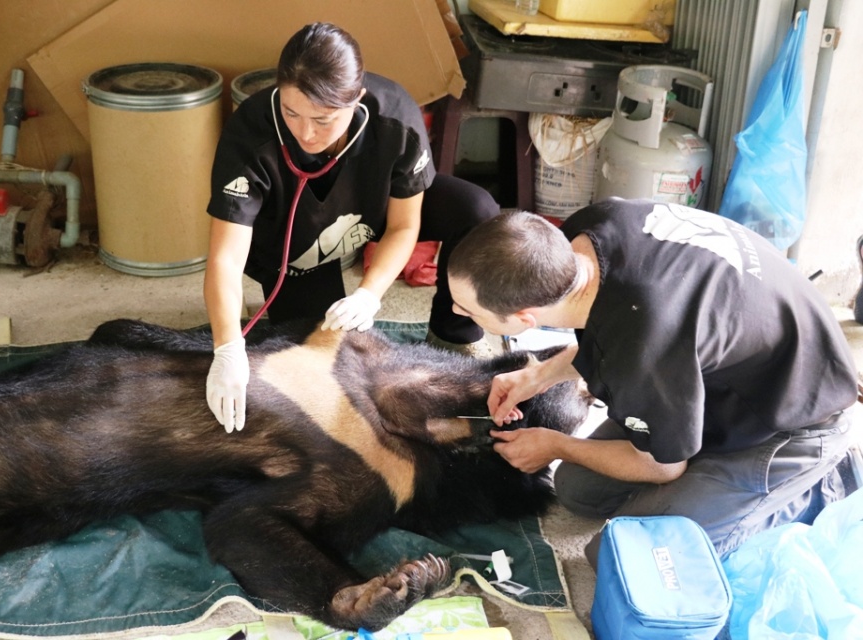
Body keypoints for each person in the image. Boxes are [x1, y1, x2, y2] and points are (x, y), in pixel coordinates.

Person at [446, 200, 861, 566]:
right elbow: (616, 330)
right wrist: (537, 375)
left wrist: (556, 445)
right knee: (579, 491)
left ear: (524, 321)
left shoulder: (645, 341)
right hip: (718, 379)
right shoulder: (587, 233)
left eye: (466, 309)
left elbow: (661, 466)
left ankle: (819, 484)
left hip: (794, 420)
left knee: (626, 556)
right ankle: (691, 447)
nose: (454, 309)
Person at [203, 22, 500, 432]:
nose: (306, 132)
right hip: (291, 245)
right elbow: (225, 257)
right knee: (323, 355)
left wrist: (370, 293)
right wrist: (227, 348)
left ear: (356, 100)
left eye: (324, 120)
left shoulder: (395, 118)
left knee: (476, 208)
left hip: (370, 213)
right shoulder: (249, 133)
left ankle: (453, 336)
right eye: (292, 112)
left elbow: (403, 225)